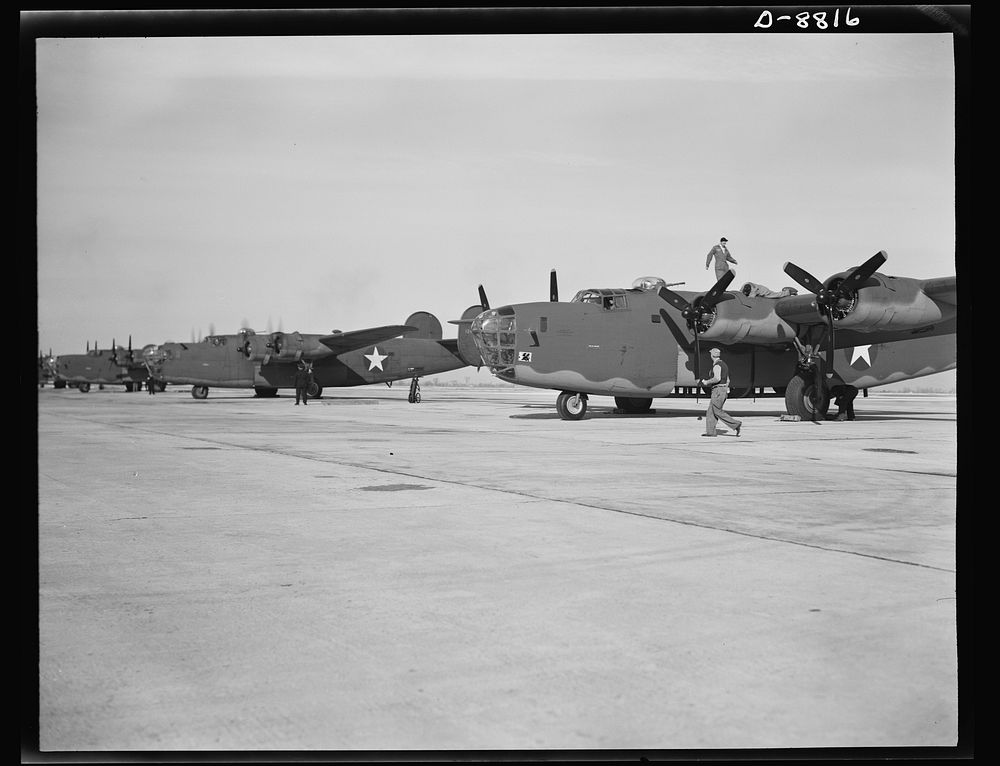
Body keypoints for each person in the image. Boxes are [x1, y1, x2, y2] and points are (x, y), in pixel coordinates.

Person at [698, 346, 742, 437]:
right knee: (710, 412)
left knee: (717, 411)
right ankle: (711, 432)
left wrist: (707, 382)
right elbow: (728, 380)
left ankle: (736, 424)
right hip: (722, 390)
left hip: (718, 390)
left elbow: (717, 378)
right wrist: (726, 388)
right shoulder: (724, 365)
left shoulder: (717, 365)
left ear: (712, 355)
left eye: (710, 354)